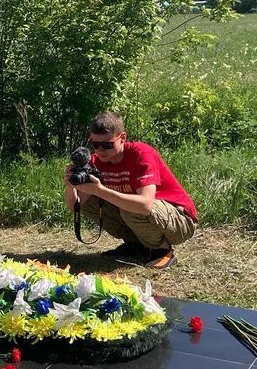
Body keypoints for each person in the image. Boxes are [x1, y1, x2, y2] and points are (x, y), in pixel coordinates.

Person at [63, 111, 197, 270]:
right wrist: (73, 185)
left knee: (131, 206)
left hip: (181, 220)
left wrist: (100, 190)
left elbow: (144, 205)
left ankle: (161, 251)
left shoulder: (141, 154)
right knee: (89, 201)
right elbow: (75, 206)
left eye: (107, 145)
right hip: (148, 214)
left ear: (123, 138)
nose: (100, 150)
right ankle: (136, 245)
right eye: (95, 144)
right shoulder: (95, 161)